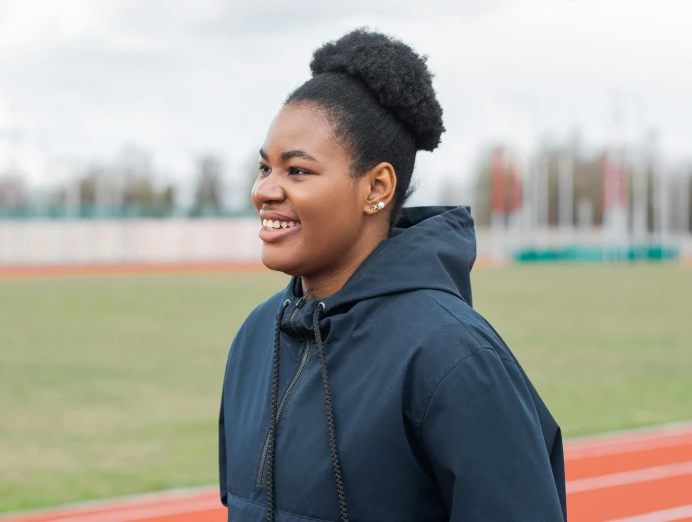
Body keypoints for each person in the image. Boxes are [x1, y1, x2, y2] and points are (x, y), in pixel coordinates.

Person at [218, 29, 566, 522]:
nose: (264, 190)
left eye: (297, 171)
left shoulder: (452, 355)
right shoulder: (257, 337)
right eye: (264, 167)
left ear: (376, 187)